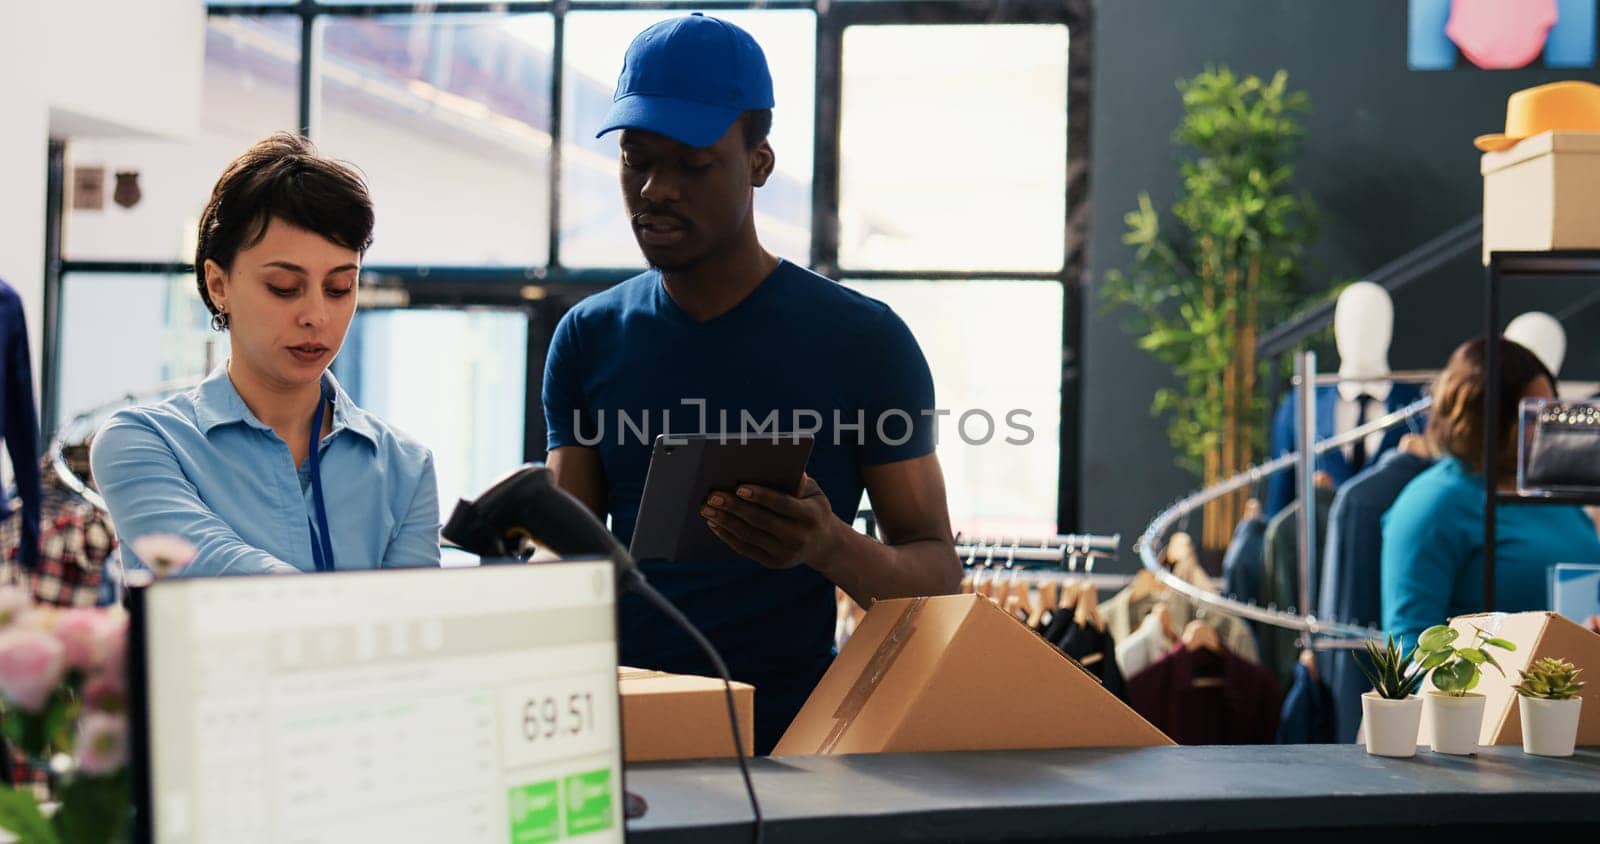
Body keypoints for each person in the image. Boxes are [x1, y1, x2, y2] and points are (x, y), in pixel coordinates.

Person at [543, 14, 960, 752]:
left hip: (798, 752)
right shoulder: (588, 337)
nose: (655, 189)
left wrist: (829, 546)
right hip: (625, 742)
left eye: (692, 164)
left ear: (759, 162)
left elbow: (937, 585)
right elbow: (569, 571)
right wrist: (517, 555)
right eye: (636, 160)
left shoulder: (864, 341)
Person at [91, 133, 441, 576]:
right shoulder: (144, 443)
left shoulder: (405, 468)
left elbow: (411, 631)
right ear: (219, 286)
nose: (316, 315)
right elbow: (230, 581)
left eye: (339, 288)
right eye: (284, 288)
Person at [1381, 338, 1600, 651]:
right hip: (1491, 698)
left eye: (1550, 412)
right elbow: (1411, 649)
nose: (1545, 430)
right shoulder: (1433, 504)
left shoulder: (1550, 493)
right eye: (1532, 416)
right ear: (1487, 419)